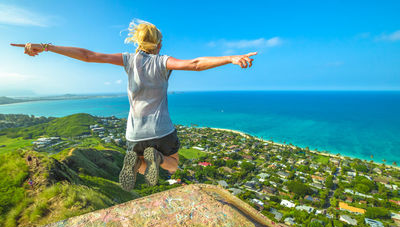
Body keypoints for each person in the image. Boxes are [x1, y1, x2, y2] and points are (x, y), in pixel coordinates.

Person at [11, 19, 257, 191]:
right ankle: (157, 158)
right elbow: (194, 63)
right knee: (172, 165)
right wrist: (230, 58)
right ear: (158, 44)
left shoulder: (128, 60)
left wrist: (46, 47)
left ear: (138, 43)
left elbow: (88, 55)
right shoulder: (163, 61)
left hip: (135, 132)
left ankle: (145, 159)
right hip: (162, 130)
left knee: (140, 167)